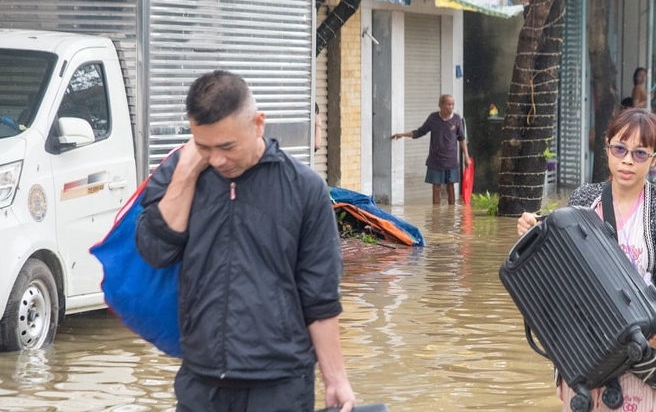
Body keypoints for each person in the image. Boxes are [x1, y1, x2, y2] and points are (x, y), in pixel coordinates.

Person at [135, 70, 355, 412]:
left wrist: (336, 379)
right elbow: (155, 251)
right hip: (200, 381)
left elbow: (320, 295)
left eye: (227, 146)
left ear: (258, 124)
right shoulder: (180, 173)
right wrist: (186, 173)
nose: (218, 160)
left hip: (280, 384)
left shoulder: (304, 188)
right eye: (204, 146)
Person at [517, 108, 656, 411]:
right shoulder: (584, 199)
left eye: (639, 153)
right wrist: (532, 233)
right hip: (583, 340)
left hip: (640, 343)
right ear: (607, 147)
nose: (627, 160)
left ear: (655, 158)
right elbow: (561, 263)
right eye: (619, 148)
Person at [392, 94, 471, 205]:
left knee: (451, 186)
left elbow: (462, 139)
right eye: (448, 104)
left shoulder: (457, 119)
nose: (451, 107)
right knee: (436, 187)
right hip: (435, 159)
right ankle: (436, 213)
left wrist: (466, 156)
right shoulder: (433, 118)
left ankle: (451, 212)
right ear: (440, 105)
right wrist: (403, 134)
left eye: (452, 104)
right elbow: (420, 132)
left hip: (451, 160)